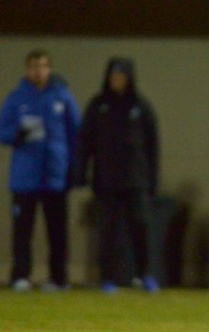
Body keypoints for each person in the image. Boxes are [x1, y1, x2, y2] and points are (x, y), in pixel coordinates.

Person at [0, 49, 81, 292]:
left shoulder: (62, 97)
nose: (38, 71)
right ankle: (20, 276)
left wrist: (74, 167)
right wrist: (16, 134)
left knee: (57, 231)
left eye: (42, 66)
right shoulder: (16, 98)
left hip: (55, 176)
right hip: (25, 177)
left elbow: (77, 134)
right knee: (22, 231)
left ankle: (58, 277)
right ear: (26, 69)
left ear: (49, 69)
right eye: (33, 66)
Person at [75, 57, 160, 294]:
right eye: (114, 75)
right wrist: (81, 173)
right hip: (106, 181)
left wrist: (152, 182)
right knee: (108, 232)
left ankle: (144, 275)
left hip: (136, 181)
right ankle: (107, 278)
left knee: (140, 228)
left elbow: (153, 148)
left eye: (122, 75)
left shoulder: (141, 107)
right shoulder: (98, 106)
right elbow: (85, 143)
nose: (117, 80)